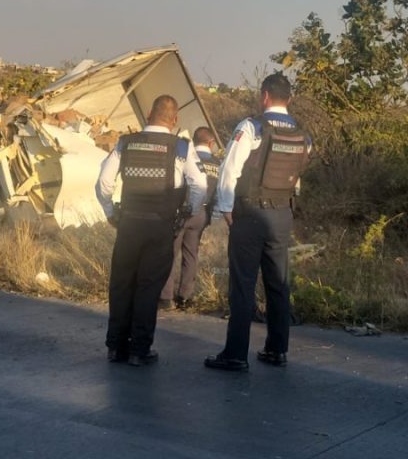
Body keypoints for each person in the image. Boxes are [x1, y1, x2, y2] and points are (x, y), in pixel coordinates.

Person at [205, 74, 311, 372]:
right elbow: (298, 173)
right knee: (278, 283)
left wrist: (225, 208)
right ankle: (277, 350)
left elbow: (230, 169)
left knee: (243, 284)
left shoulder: (252, 127)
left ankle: (236, 354)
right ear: (288, 99)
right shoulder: (304, 134)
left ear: (264, 96)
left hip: (250, 214)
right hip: (282, 215)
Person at [96, 95, 207, 366]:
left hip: (129, 225)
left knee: (121, 284)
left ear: (148, 113)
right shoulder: (181, 147)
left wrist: (111, 214)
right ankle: (139, 350)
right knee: (148, 287)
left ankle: (115, 347)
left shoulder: (126, 143)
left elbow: (103, 182)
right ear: (175, 120)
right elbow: (199, 185)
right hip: (160, 226)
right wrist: (187, 213)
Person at [160, 126, 220, 310]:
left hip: (181, 211)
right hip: (202, 214)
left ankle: (165, 298)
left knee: (170, 253)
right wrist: (211, 215)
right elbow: (219, 193)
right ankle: (185, 297)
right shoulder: (218, 163)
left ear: (194, 141)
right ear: (211, 143)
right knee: (191, 254)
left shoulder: (187, 156)